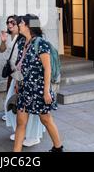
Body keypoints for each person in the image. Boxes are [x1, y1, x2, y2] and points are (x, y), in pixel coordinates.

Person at [13, 14, 63, 152]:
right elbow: (19, 65)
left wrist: (46, 91)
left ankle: (58, 148)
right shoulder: (22, 43)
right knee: (20, 123)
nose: (19, 24)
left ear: (29, 25)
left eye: (22, 23)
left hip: (39, 89)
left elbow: (47, 68)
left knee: (46, 119)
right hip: (24, 90)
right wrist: (17, 83)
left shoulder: (41, 43)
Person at [0, 15, 45, 147]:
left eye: (19, 23)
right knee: (15, 107)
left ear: (29, 26)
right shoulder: (21, 40)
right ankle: (22, 133)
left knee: (37, 113)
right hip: (19, 78)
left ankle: (34, 136)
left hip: (32, 82)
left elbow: (44, 67)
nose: (17, 25)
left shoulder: (38, 42)